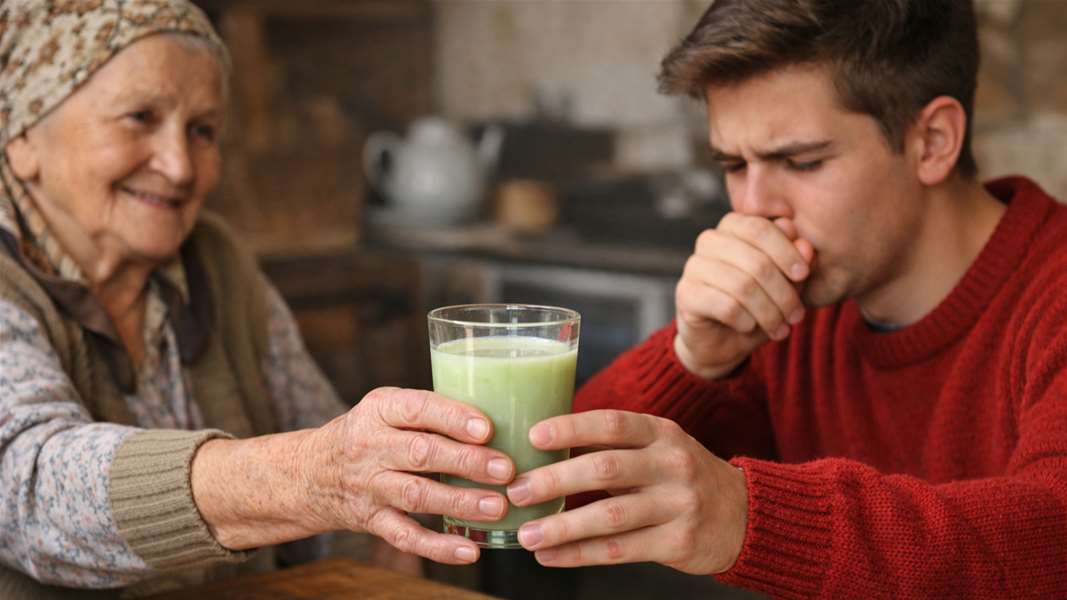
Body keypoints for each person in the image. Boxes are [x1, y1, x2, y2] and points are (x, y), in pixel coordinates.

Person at [502, 1, 1067, 597]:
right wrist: (692, 361)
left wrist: (744, 516)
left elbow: (1054, 535)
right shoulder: (786, 310)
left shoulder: (1051, 294)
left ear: (932, 141)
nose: (752, 207)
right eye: (732, 164)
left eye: (801, 162)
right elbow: (546, 500)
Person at [0, 1, 515, 597]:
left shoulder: (214, 261)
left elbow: (334, 466)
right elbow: (28, 488)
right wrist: (309, 477)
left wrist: (383, 542)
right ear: (21, 138)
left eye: (203, 130)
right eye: (139, 118)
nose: (179, 166)